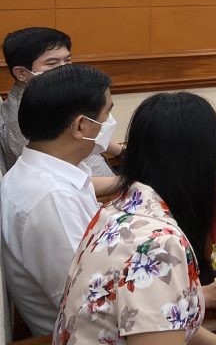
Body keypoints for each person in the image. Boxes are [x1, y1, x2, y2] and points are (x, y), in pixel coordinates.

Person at [53, 92, 216, 345]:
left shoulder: (116, 208)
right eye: (215, 148)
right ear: (196, 161)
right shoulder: (159, 245)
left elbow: (165, 322)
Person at [0, 64, 113, 336]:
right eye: (107, 113)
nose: (110, 122)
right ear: (81, 125)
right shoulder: (51, 198)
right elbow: (90, 303)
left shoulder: (52, 171)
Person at [1, 27, 120, 175]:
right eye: (52, 63)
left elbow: (93, 131)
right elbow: (49, 176)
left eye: (67, 60)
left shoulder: (57, 95)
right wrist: (123, 183)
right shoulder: (23, 117)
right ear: (21, 73)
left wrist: (122, 152)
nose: (64, 69)